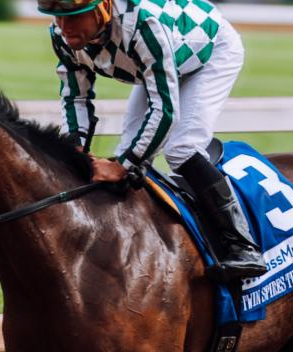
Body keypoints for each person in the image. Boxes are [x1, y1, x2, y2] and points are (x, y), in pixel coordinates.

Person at [39, 0, 267, 279]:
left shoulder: (143, 25)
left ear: (103, 8)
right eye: (58, 18)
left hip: (211, 51)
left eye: (74, 17)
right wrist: (76, 151)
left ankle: (242, 245)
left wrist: (123, 165)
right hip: (157, 60)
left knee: (181, 148)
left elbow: (165, 112)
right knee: (128, 150)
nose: (64, 27)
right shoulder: (60, 35)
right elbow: (76, 97)